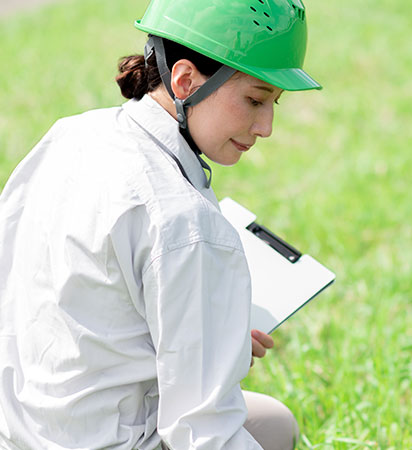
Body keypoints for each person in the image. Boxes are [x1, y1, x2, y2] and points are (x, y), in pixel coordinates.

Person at [0, 0, 322, 448]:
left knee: (272, 421)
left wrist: (210, 338)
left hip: (18, 431)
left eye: (274, 103)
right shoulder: (187, 222)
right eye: (255, 99)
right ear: (185, 80)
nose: (266, 126)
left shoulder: (69, 135)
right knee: (268, 429)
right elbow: (203, 433)